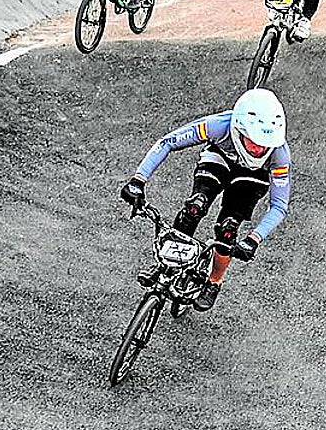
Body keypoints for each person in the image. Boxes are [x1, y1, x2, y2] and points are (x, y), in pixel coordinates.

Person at [119, 88, 292, 312]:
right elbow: (168, 142)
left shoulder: (279, 154)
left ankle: (214, 282)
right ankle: (167, 265)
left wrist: (254, 239)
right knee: (195, 206)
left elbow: (279, 205)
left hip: (252, 177)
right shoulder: (218, 125)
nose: (259, 149)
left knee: (227, 229)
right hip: (219, 158)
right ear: (239, 128)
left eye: (265, 144)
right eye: (253, 141)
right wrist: (138, 180)